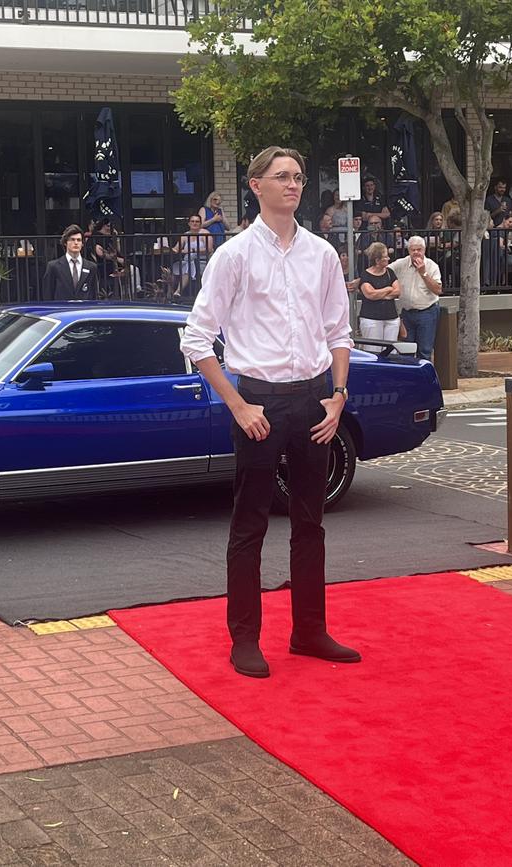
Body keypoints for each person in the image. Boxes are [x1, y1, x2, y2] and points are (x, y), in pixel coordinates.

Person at [180, 144, 360, 679]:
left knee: (311, 523)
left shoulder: (322, 255)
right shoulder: (233, 256)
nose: (293, 184)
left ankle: (309, 631)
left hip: (313, 400)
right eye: (282, 176)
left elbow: (339, 332)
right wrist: (236, 404)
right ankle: (245, 638)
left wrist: (339, 394)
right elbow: (197, 338)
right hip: (258, 400)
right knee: (250, 524)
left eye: (300, 177)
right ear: (255, 185)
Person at [393, 236, 442, 360]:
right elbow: (383, 270)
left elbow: (438, 290)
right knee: (405, 350)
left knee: (424, 350)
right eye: (413, 249)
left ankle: (424, 378)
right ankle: (408, 378)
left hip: (427, 312)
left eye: (419, 249)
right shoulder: (401, 263)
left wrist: (423, 273)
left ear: (424, 250)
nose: (416, 252)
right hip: (407, 313)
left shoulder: (432, 266)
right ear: (409, 250)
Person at [42, 224, 99, 301]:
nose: (76, 243)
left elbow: (94, 294)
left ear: (82, 244)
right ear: (65, 242)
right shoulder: (53, 266)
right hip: (61, 310)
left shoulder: (91, 267)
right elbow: (48, 294)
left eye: (79, 240)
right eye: (72, 239)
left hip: (84, 310)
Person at [358, 243, 401, 341]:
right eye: (385, 257)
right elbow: (370, 294)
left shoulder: (390, 272)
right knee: (374, 350)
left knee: (390, 351)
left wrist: (379, 295)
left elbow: (397, 291)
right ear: (377, 260)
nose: (388, 259)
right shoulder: (366, 275)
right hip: (371, 319)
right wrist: (387, 289)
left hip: (391, 317)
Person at [169, 214, 214, 299]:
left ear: (200, 224)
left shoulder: (205, 233)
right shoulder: (185, 235)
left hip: (202, 261)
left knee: (189, 267)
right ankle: (170, 293)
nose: (195, 223)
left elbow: (209, 248)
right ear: (189, 223)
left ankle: (178, 291)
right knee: (172, 269)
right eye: (192, 221)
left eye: (197, 222)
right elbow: (176, 248)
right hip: (186, 261)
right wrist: (167, 249)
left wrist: (192, 250)